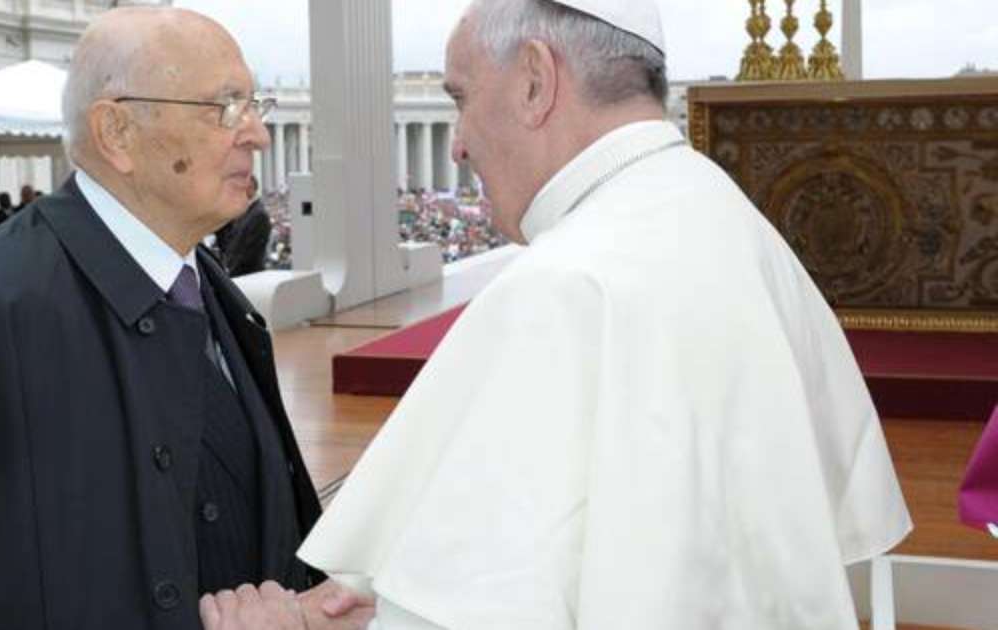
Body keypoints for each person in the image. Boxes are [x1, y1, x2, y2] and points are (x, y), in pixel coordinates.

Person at [213, 1, 912, 628]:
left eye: (460, 96)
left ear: (535, 81)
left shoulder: (565, 285)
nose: (456, 142)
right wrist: (397, 595)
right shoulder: (723, 211)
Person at [0, 7, 363, 630]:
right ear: (116, 132)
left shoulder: (212, 290)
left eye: (255, 105)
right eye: (224, 107)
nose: (257, 135)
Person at [215, 175, 271, 276]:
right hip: (237, 272)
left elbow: (248, 252)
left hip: (249, 276)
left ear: (251, 188)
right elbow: (228, 241)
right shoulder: (243, 211)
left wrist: (229, 274)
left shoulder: (259, 215)